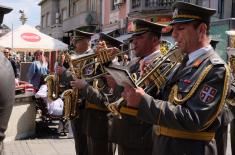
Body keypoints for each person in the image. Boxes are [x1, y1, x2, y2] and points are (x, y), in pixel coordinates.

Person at [120, 2, 231, 155]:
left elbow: (195, 118)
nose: (173, 34)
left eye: (180, 28)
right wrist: (150, 84)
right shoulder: (183, 63)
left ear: (201, 30)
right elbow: (168, 101)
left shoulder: (215, 69)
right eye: (174, 29)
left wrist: (144, 101)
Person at [97, 19, 165, 155]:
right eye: (134, 38)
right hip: (125, 134)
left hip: (142, 138)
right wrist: (108, 63)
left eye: (140, 37)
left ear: (155, 40)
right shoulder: (134, 63)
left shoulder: (164, 64)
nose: (134, 41)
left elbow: (158, 101)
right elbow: (117, 90)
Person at [69, 33, 124, 155]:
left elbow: (107, 101)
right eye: (98, 45)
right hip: (91, 123)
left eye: (102, 46)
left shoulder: (116, 69)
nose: (98, 48)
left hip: (103, 125)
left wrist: (84, 87)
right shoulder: (96, 66)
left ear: (112, 49)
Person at [57, 26, 96, 155]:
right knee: (79, 144)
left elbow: (85, 79)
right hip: (76, 105)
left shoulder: (92, 58)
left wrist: (65, 73)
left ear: (86, 41)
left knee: (86, 145)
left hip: (87, 107)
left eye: (76, 41)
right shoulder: (75, 57)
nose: (73, 43)